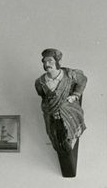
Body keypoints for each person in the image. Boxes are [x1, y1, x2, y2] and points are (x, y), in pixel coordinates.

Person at [34, 48, 86, 178]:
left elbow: (83, 81)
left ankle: (70, 144)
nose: (47, 64)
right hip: (51, 113)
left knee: (70, 135)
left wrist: (75, 95)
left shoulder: (70, 75)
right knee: (55, 136)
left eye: (50, 61)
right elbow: (42, 95)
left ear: (58, 62)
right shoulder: (40, 82)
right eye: (44, 61)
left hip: (70, 111)